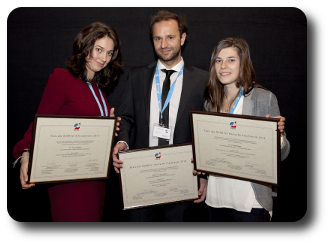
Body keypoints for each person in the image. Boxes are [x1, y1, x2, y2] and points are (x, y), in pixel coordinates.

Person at [13, 22, 122, 222]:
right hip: (68, 179)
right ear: (85, 46)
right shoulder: (62, 78)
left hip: (95, 177)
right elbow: (41, 121)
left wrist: (109, 126)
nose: (104, 58)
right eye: (99, 50)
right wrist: (25, 153)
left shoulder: (98, 88)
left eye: (109, 53)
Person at [112, 10, 209, 222]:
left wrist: (203, 175)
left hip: (182, 178)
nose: (163, 44)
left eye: (170, 37)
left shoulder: (203, 80)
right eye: (158, 38)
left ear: (183, 38)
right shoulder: (136, 76)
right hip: (141, 176)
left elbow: (207, 131)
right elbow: (125, 117)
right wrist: (122, 141)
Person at [195, 37, 290, 222]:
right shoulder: (210, 102)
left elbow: (284, 154)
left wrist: (277, 137)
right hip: (217, 198)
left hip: (251, 200)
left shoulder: (264, 98)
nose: (224, 66)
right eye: (218, 60)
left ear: (243, 63)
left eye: (231, 60)